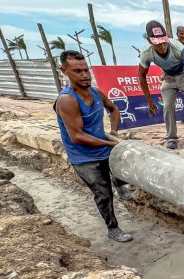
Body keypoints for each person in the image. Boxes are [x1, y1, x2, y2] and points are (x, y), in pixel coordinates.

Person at [54, 50, 133, 243]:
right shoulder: (67, 100)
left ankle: (119, 182)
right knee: (103, 193)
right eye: (77, 71)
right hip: (84, 157)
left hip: (103, 146)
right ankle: (112, 228)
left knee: (124, 168)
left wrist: (114, 132)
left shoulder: (96, 92)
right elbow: (77, 136)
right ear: (64, 71)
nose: (84, 75)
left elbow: (113, 109)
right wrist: (110, 143)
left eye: (86, 70)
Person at [138, 20, 184, 150]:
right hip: (168, 77)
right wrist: (149, 101)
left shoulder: (177, 47)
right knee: (167, 106)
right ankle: (171, 138)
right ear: (150, 41)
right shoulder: (147, 53)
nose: (162, 46)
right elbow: (141, 76)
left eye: (164, 42)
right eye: (158, 44)